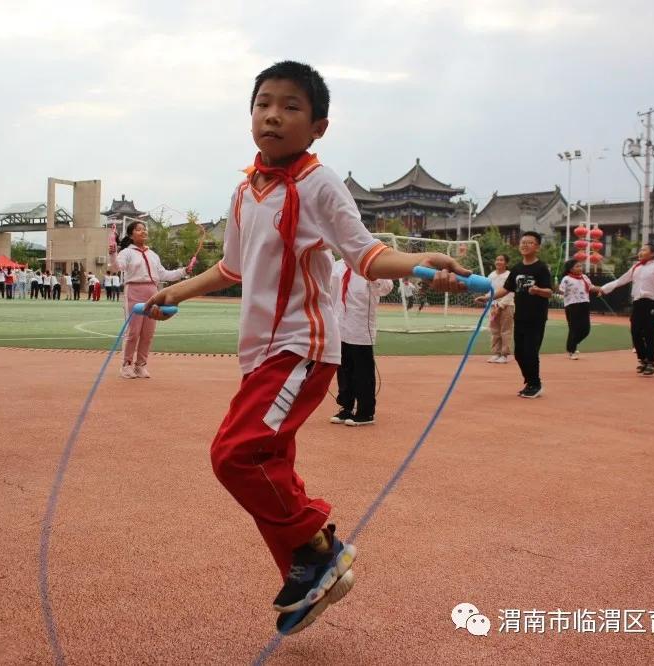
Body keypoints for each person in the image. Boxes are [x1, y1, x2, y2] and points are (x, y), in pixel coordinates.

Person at [143, 61, 471, 635]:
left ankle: (321, 547)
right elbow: (232, 267)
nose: (273, 114)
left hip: (303, 349)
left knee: (235, 455)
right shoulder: (246, 189)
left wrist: (422, 266)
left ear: (318, 126)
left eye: (291, 106)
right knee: (269, 465)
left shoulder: (321, 184)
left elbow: (365, 254)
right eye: (263, 102)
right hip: (260, 356)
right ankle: (312, 575)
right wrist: (178, 292)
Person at [593, 244, 654, 376]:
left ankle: (651, 361)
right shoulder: (636, 267)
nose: (640, 252)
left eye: (644, 250)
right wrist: (604, 289)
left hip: (651, 303)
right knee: (635, 331)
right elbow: (620, 281)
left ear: (652, 254)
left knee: (650, 333)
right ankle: (643, 359)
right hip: (638, 303)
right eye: (640, 250)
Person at [475, 231, 552, 398]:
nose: (524, 245)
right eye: (522, 242)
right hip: (521, 316)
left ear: (537, 247)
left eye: (529, 242)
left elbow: (549, 292)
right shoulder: (516, 269)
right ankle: (530, 382)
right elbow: (506, 289)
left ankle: (535, 384)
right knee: (519, 354)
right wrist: (488, 297)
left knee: (531, 352)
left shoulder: (541, 268)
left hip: (536, 317)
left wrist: (538, 290)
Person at [109, 222, 190, 377]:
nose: (143, 231)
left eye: (144, 229)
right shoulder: (127, 252)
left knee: (148, 332)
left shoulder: (153, 254)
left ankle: (140, 365)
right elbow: (116, 267)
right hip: (134, 290)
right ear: (131, 235)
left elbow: (164, 274)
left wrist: (183, 271)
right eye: (139, 229)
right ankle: (126, 365)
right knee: (133, 331)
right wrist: (112, 253)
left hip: (153, 292)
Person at [328, 257, 393, 426]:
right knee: (343, 370)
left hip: (361, 328)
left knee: (362, 372)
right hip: (340, 325)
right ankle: (346, 407)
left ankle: (365, 412)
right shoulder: (338, 266)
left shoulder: (371, 265)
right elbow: (331, 294)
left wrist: (373, 276)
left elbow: (387, 287)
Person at [557, 258, 593, 359]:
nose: (580, 268)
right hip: (572, 305)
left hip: (584, 304)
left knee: (586, 329)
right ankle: (572, 350)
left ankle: (572, 345)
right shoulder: (566, 279)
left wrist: (600, 290)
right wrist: (558, 289)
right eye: (577, 266)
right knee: (574, 329)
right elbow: (561, 290)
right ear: (570, 269)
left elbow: (591, 287)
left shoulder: (584, 277)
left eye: (580, 266)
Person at [486, 254, 514, 363]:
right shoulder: (491, 275)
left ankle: (504, 355)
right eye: (497, 259)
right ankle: (496, 353)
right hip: (493, 306)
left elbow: (511, 292)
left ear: (506, 263)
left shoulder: (509, 275)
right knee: (494, 330)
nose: (498, 262)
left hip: (507, 305)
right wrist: (492, 304)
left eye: (501, 260)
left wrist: (501, 305)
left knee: (505, 330)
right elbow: (489, 290)